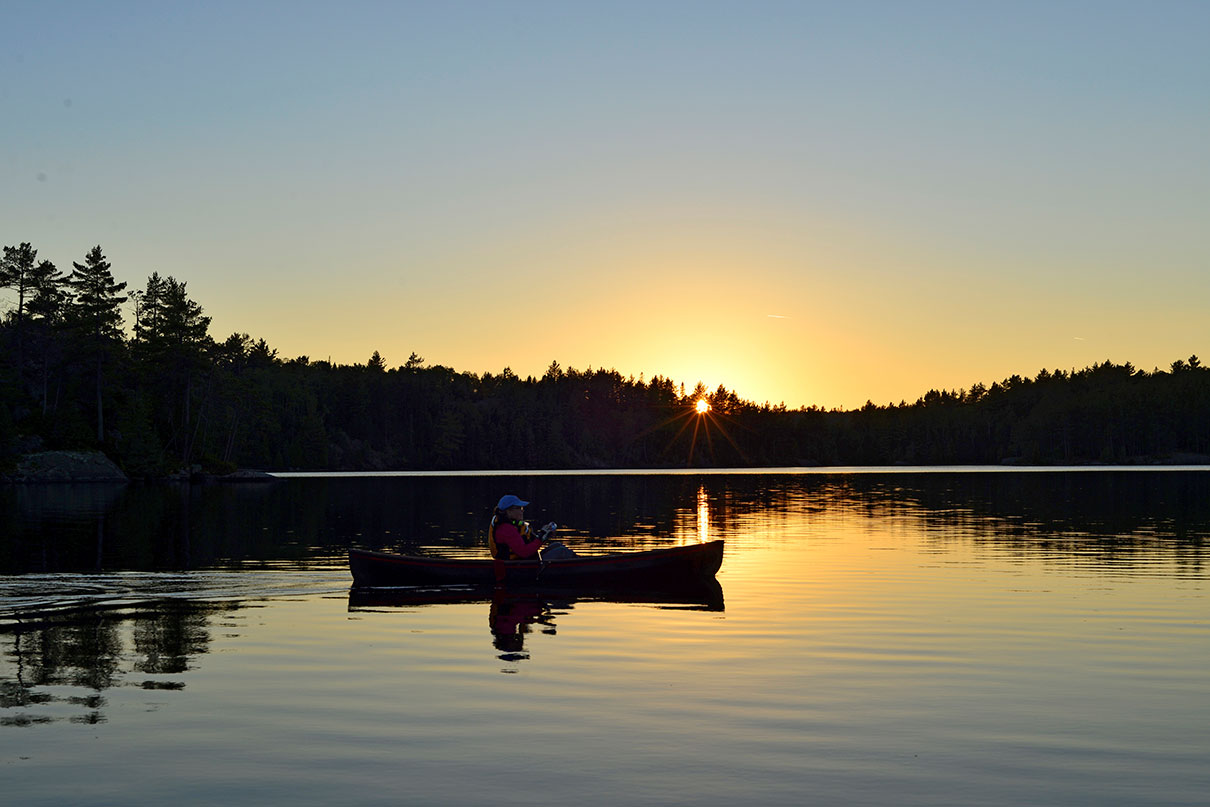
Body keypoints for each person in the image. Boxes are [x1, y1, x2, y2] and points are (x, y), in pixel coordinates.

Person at [488, 494, 576, 560]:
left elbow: (529, 543)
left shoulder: (513, 524)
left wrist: (545, 535)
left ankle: (579, 561)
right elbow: (524, 552)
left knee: (557, 545)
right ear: (508, 511)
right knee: (561, 551)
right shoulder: (506, 529)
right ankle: (583, 563)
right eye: (519, 508)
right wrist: (540, 539)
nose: (522, 511)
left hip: (525, 561)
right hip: (519, 565)